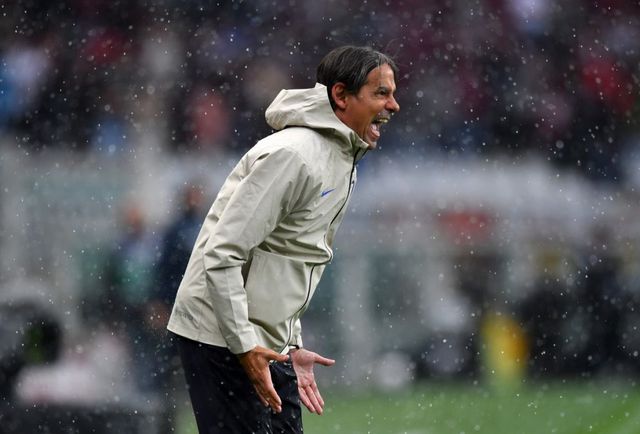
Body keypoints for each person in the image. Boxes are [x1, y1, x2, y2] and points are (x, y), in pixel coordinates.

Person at [167, 45, 400, 433]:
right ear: (341, 96)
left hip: (263, 343)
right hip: (224, 338)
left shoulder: (341, 159)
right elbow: (222, 253)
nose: (393, 105)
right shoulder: (294, 155)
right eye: (381, 93)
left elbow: (288, 259)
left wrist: (290, 344)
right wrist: (244, 346)